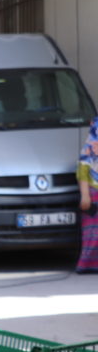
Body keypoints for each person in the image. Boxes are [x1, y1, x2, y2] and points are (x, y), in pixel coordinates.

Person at [76, 116, 98, 274]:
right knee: (93, 233)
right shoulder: (91, 144)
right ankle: (88, 265)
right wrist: (85, 195)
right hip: (94, 190)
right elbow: (83, 167)